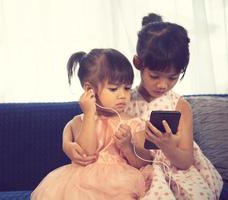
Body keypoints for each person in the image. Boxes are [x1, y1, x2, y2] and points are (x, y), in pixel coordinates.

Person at [63, 13, 223, 199]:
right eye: (154, 76)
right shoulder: (122, 98)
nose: (163, 85)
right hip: (133, 171)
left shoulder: (179, 105)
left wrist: (168, 146)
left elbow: (186, 161)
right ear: (138, 63)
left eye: (172, 77)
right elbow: (88, 119)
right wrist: (67, 142)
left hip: (174, 169)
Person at [31, 48, 153, 200]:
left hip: (122, 182)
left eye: (127, 88)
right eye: (114, 89)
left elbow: (145, 162)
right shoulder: (79, 121)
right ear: (90, 90)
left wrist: (128, 146)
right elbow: (86, 155)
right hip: (82, 182)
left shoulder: (134, 122)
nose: (123, 95)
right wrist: (89, 113)